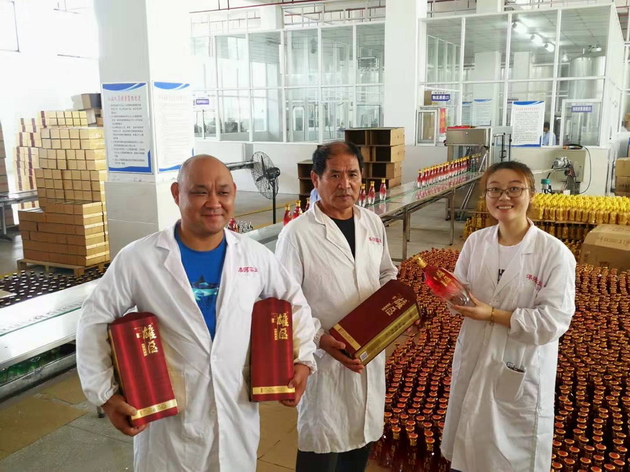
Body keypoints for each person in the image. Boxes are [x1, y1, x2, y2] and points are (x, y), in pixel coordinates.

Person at [76, 155, 318, 472]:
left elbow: (294, 301)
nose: (214, 202)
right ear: (177, 194)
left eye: (223, 192)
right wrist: (106, 396)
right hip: (169, 426)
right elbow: (94, 320)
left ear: (234, 193)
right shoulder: (139, 258)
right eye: (200, 192)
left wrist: (303, 361)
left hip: (235, 414)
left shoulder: (254, 256)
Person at [442, 161, 576, 472]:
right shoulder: (476, 242)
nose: (504, 197)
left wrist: (491, 314)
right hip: (475, 355)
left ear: (532, 194)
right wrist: (449, 293)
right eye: (495, 190)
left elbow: (552, 322)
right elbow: (460, 295)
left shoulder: (553, 253)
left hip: (519, 368)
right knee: (467, 450)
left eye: (515, 189)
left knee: (508, 458)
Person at [275, 141, 398, 472]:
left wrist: (397, 310)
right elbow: (286, 303)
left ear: (362, 178)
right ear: (316, 179)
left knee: (360, 443)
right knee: (322, 448)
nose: (345, 184)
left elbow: (386, 273)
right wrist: (320, 338)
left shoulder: (372, 223)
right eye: (335, 175)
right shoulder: (297, 234)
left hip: (368, 352)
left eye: (352, 174)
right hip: (324, 359)